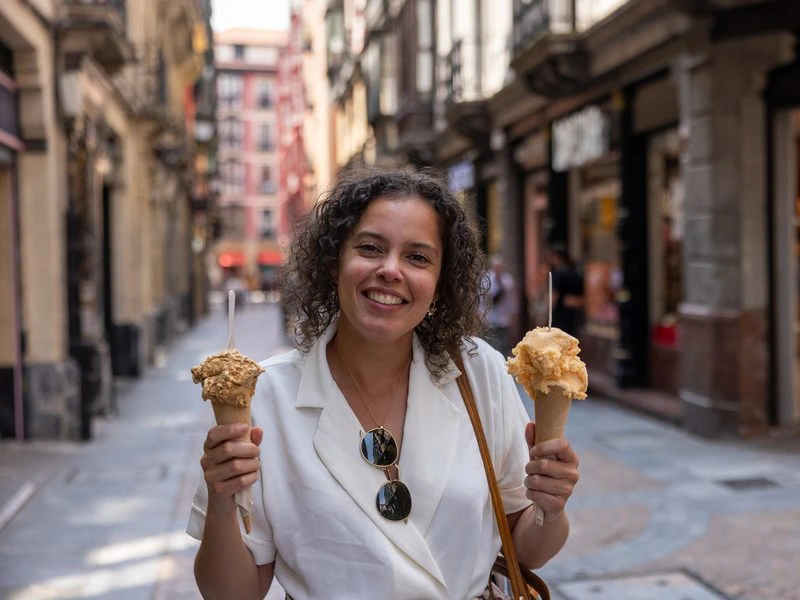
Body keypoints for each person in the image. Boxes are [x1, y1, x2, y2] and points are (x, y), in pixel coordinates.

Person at [188, 169, 580, 599]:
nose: (391, 270)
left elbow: (530, 548)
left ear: (439, 282)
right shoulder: (267, 400)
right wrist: (222, 498)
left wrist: (550, 505)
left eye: (417, 257)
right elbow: (230, 594)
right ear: (333, 261)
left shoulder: (479, 371)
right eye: (370, 248)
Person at [484, 254, 518, 356]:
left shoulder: (507, 280)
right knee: (492, 343)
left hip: (504, 317)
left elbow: (512, 299)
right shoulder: (486, 279)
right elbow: (484, 298)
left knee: (504, 343)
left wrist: (513, 313)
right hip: (490, 317)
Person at [548, 245, 584, 337]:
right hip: (573, 313)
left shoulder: (558, 274)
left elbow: (554, 294)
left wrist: (548, 311)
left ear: (558, 257)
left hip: (560, 313)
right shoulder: (575, 272)